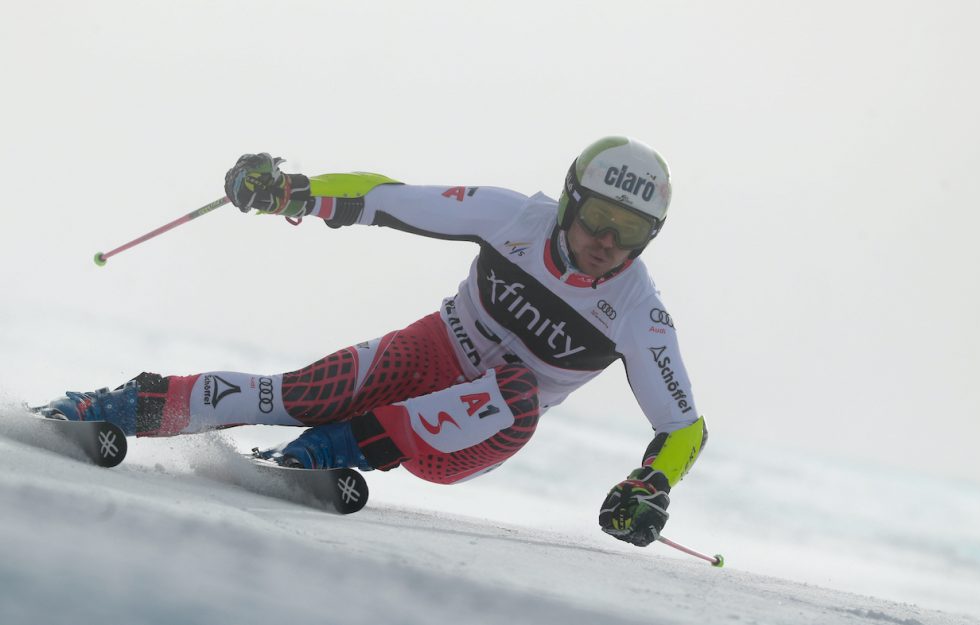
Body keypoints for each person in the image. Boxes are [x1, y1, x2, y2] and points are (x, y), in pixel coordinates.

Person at [38, 136, 707, 547]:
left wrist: (650, 482)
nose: (605, 242)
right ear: (570, 200)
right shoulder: (512, 217)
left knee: (515, 391)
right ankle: (119, 406)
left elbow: (684, 427)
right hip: (431, 349)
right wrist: (292, 192)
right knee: (300, 393)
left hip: (464, 439)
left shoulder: (636, 313)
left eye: (629, 231)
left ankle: (330, 450)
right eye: (597, 217)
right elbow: (387, 198)